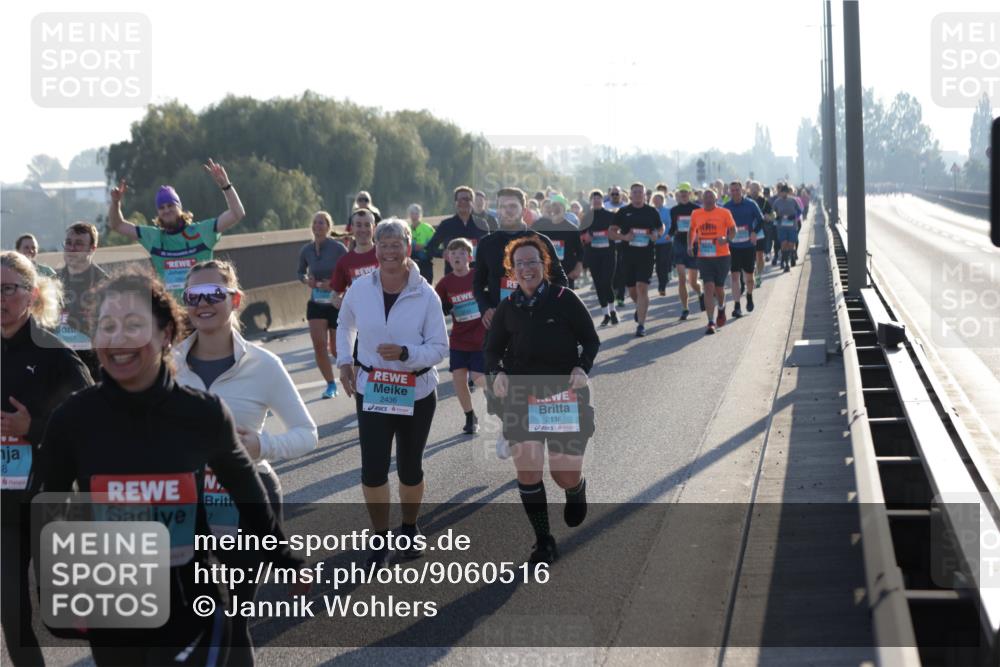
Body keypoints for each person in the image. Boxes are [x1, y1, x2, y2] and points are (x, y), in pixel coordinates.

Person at [32, 267, 302, 666]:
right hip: (113, 606)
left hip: (190, 602)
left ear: (166, 336)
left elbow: (247, 489)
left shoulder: (202, 413)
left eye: (134, 325)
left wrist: (284, 558)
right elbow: (49, 502)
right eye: (107, 326)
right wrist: (57, 589)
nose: (118, 339)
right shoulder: (72, 420)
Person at [176, 260, 317, 666]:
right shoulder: (169, 363)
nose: (204, 304)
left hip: (246, 502)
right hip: (186, 504)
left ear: (235, 300)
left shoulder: (263, 365)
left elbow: (307, 433)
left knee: (236, 621)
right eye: (194, 297)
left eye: (214, 295)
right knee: (196, 617)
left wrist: (260, 445)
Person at [337, 219, 448, 568]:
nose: (388, 251)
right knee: (372, 469)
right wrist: (344, 361)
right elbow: (345, 324)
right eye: (383, 244)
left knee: (410, 468)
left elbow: (439, 348)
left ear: (408, 247)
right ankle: (380, 535)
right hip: (373, 389)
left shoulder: (425, 294)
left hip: (415, 390)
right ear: (376, 249)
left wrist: (405, 353)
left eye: (396, 244)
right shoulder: (360, 289)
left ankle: (410, 528)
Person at [1, 250, 93, 666]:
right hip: (3, 509)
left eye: (7, 289)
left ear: (31, 293)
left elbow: (91, 420)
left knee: (69, 615)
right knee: (11, 611)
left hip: (48, 501)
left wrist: (32, 429)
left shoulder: (55, 353)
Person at [485, 236, 600, 564]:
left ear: (544, 265)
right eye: (519, 264)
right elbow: (492, 349)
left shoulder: (566, 299)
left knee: (562, 474)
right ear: (512, 270)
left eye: (532, 262)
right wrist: (498, 372)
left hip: (564, 393)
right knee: (529, 468)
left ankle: (575, 488)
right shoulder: (508, 308)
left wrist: (582, 366)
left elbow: (590, 340)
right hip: (523, 396)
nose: (526, 269)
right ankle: (543, 540)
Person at [473, 187, 568, 459]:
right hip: (499, 323)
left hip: (533, 322)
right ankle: (507, 425)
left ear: (524, 208)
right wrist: (485, 308)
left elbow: (561, 280)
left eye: (513, 206)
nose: (507, 211)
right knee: (494, 384)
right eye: (502, 206)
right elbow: (478, 283)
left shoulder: (540, 240)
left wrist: (543, 304)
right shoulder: (488, 244)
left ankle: (528, 437)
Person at [107, 159, 246, 298]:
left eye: (170, 205)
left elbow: (237, 214)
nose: (166, 210)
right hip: (171, 314)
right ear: (158, 212)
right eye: (161, 207)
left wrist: (226, 186)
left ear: (180, 207)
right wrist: (115, 202)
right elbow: (117, 224)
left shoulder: (201, 232)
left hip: (201, 308)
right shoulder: (154, 237)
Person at [435, 239, 487, 435]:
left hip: (481, 335)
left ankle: (498, 404)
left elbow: (491, 292)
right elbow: (433, 304)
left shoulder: (477, 276)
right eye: (453, 253)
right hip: (459, 338)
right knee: (458, 377)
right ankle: (470, 416)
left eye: (461, 253)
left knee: (480, 378)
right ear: (447, 258)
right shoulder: (445, 283)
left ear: (470, 257)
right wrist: (443, 307)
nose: (457, 256)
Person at [298, 211, 350, 399]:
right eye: (315, 223)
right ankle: (330, 385)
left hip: (335, 303)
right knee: (319, 345)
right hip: (316, 302)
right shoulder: (306, 250)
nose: (318, 226)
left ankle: (352, 374)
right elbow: (299, 273)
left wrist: (336, 284)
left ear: (329, 227)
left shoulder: (337, 248)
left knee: (336, 349)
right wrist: (307, 280)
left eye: (322, 223)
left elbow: (348, 270)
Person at [609, 182, 663, 337]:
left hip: (646, 255)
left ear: (645, 194)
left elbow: (661, 227)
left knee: (642, 287)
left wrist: (656, 235)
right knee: (632, 290)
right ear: (630, 195)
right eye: (635, 192)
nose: (638, 195)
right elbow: (611, 233)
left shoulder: (651, 212)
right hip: (627, 256)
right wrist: (624, 236)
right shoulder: (623, 212)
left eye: (641, 192)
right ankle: (639, 308)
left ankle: (641, 325)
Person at [57, 221, 109, 376]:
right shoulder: (53, 282)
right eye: (68, 243)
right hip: (60, 362)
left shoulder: (105, 285)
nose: (72, 249)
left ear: (92, 249)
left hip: (94, 365)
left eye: (79, 244)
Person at [689, 189, 736, 335]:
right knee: (708, 287)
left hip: (722, 256)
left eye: (711, 197)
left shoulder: (724, 212)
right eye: (706, 197)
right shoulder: (696, 213)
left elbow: (733, 230)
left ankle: (721, 308)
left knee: (719, 289)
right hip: (704, 256)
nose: (708, 199)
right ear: (702, 199)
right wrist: (689, 245)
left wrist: (727, 239)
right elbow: (691, 230)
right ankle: (710, 321)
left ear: (716, 199)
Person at [426, 186, 494, 276]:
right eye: (459, 200)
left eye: (466, 199)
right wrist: (442, 253)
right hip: (452, 276)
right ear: (455, 203)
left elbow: (488, 249)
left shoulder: (481, 224)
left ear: (472, 203)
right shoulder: (446, 225)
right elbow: (430, 248)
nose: (463, 202)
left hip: (476, 276)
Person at [723, 181, 764, 318]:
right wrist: (725, 237)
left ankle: (750, 295)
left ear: (742, 190)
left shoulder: (751, 204)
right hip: (733, 246)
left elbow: (761, 220)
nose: (734, 192)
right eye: (732, 190)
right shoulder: (727, 207)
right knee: (734, 276)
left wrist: (754, 232)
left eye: (737, 190)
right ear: (729, 191)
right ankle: (737, 306)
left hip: (748, 245)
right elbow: (721, 225)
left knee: (749, 278)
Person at [581, 189, 618, 326]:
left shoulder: (610, 215)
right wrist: (586, 238)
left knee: (606, 282)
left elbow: (617, 231)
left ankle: (613, 311)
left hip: (608, 253)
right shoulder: (586, 217)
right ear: (591, 201)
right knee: (598, 284)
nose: (596, 200)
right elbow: (581, 236)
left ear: (603, 200)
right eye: (594, 198)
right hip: (593, 254)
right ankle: (605, 314)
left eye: (598, 198)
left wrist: (612, 233)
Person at [532, 194, 584, 289]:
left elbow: (580, 252)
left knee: (565, 303)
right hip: (545, 275)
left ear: (564, 208)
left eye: (559, 205)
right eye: (554, 205)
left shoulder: (572, 229)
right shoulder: (541, 227)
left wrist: (577, 269)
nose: (556, 207)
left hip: (566, 274)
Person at [331, 208, 380, 308]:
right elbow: (335, 294)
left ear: (374, 228)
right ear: (352, 228)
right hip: (360, 320)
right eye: (358, 225)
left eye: (367, 225)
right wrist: (338, 302)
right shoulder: (344, 262)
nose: (363, 229)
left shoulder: (385, 254)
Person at [669, 182, 703, 320]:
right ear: (678, 194)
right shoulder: (674, 210)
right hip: (679, 244)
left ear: (690, 194)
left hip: (693, 245)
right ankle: (685, 308)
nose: (683, 195)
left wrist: (698, 238)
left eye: (686, 192)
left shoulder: (697, 209)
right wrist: (667, 234)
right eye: (681, 192)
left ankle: (700, 293)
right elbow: (673, 227)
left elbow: (700, 228)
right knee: (682, 278)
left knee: (692, 281)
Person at [773, 184, 803, 272]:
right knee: (783, 244)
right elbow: (773, 212)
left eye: (785, 192)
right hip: (781, 227)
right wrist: (776, 217)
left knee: (790, 244)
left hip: (792, 226)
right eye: (782, 192)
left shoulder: (793, 201)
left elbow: (799, 211)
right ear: (780, 193)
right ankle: (786, 264)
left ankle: (792, 255)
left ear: (787, 192)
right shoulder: (777, 202)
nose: (783, 194)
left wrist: (794, 216)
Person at [749, 181, 775, 285]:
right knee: (750, 256)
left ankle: (759, 275)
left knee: (759, 255)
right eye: (752, 188)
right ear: (749, 189)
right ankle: (753, 272)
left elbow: (773, 214)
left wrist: (769, 217)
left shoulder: (764, 201)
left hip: (761, 232)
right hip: (748, 233)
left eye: (756, 188)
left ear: (760, 189)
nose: (754, 191)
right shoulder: (746, 200)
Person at [652, 191, 674, 297]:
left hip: (665, 241)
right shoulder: (651, 211)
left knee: (663, 263)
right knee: (657, 265)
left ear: (662, 200)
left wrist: (670, 235)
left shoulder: (667, 211)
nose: (656, 201)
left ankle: (662, 285)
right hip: (654, 242)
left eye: (658, 199)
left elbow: (670, 225)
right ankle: (661, 280)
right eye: (654, 200)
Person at [407, 204, 436, 283]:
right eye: (412, 213)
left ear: (420, 214)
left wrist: (424, 246)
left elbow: (437, 245)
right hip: (411, 264)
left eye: (416, 213)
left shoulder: (427, 228)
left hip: (425, 263)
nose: (414, 216)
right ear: (409, 215)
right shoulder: (407, 229)